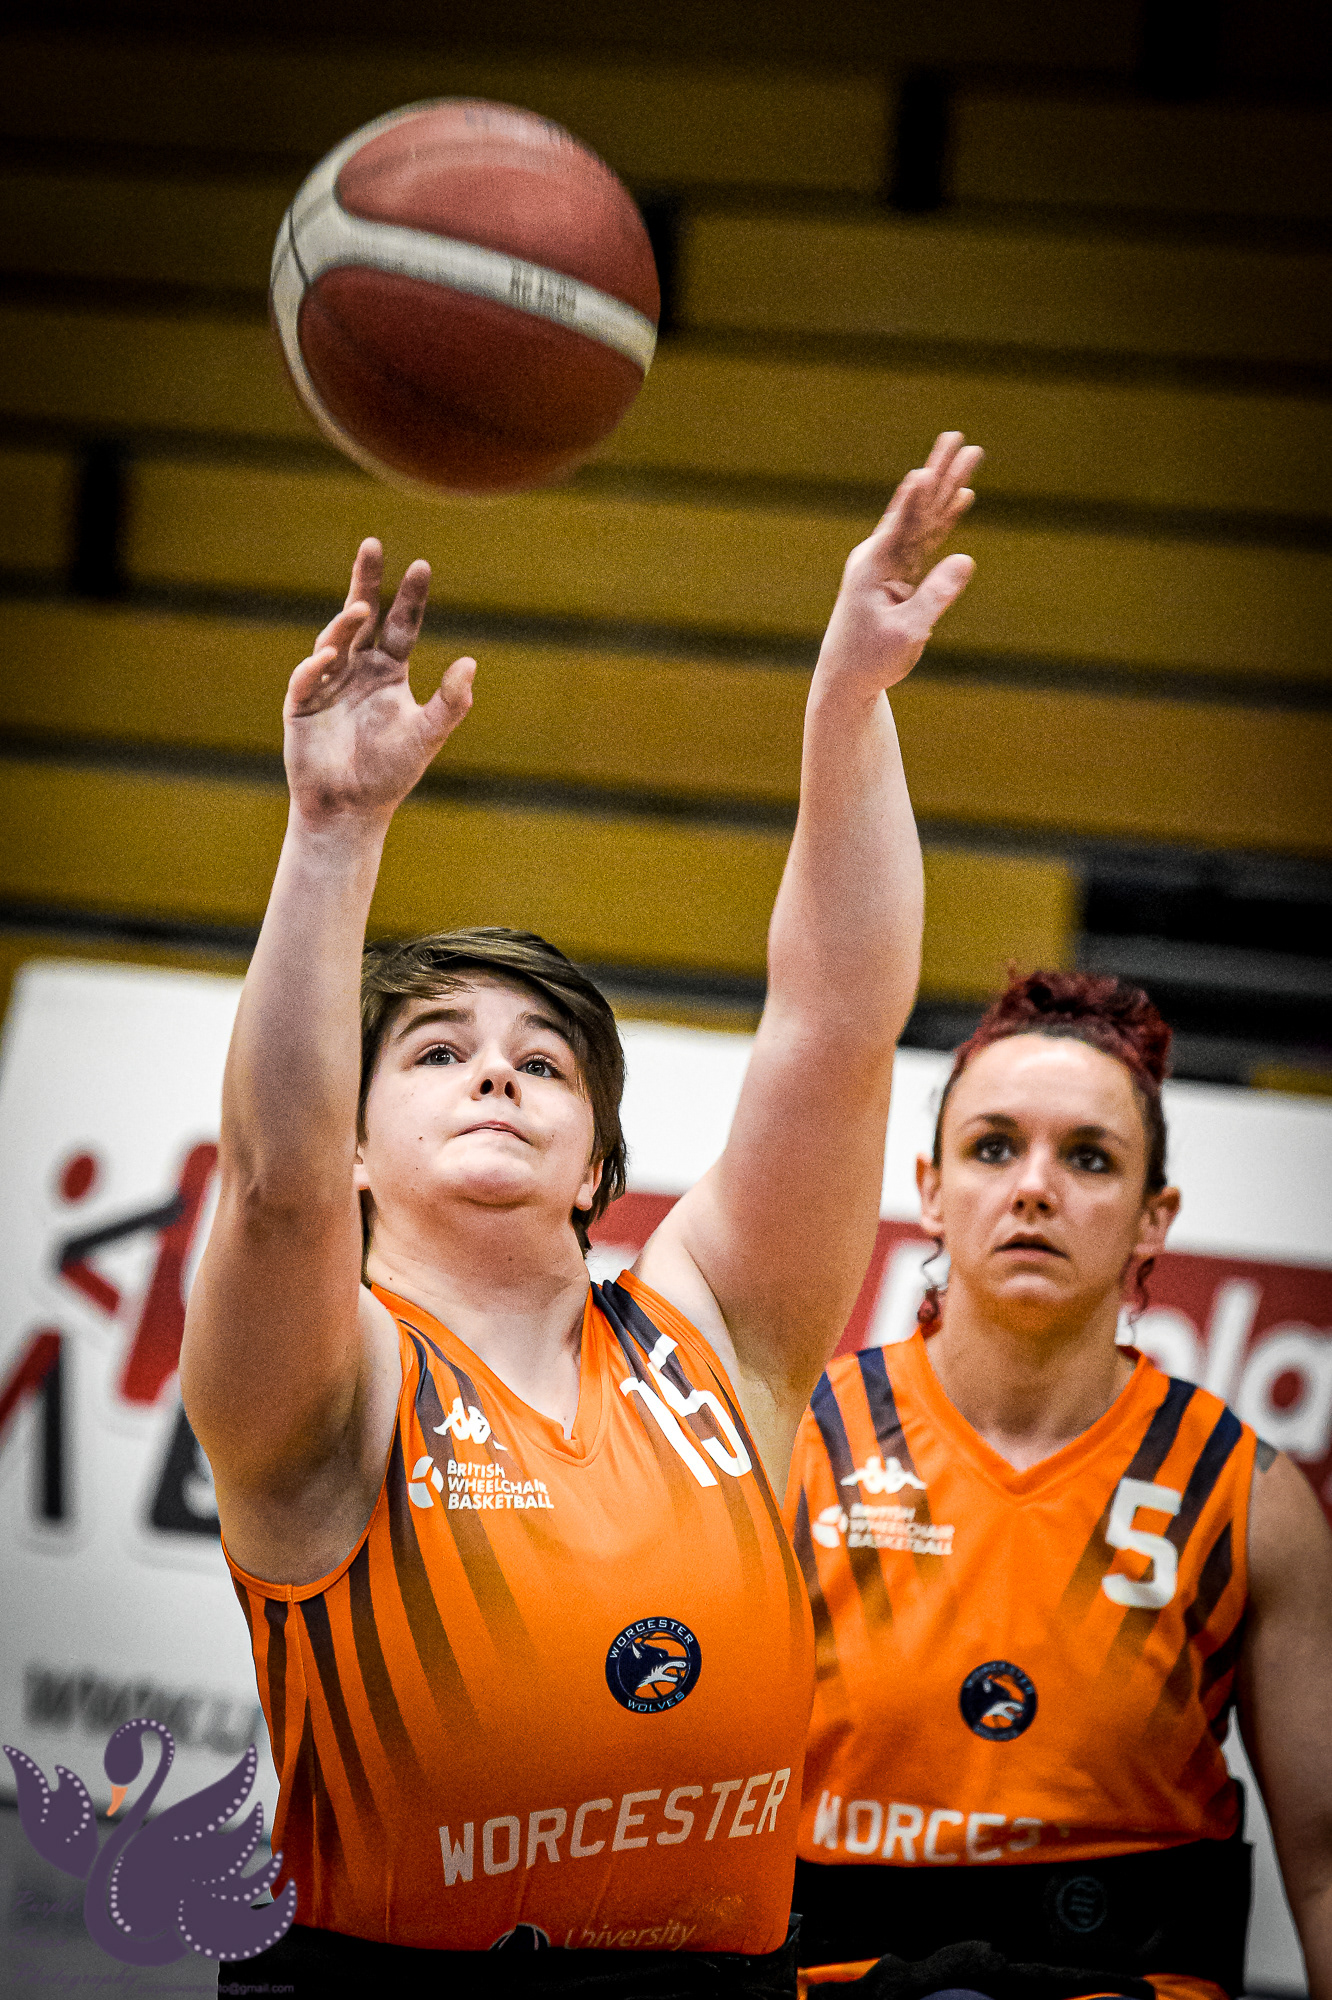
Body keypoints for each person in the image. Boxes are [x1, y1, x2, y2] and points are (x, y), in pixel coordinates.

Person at [179, 435, 983, 1995]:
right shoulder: (337, 1390)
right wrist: (332, 836)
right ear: (359, 1146)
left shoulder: (719, 1332)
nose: (496, 1074)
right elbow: (273, 1191)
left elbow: (836, 1025)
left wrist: (850, 702)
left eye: (541, 1063)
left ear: (599, 1162)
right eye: (437, 1054)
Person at [785, 971, 1332, 2000]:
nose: (1035, 1187)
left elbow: (1325, 1871)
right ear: (931, 1189)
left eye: (1089, 1157)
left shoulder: (1249, 1497)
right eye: (994, 1147)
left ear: (1153, 1219)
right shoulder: (799, 1446)